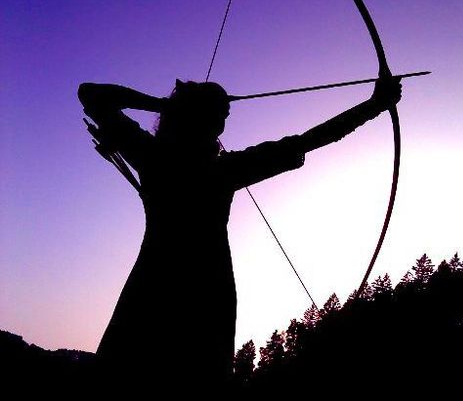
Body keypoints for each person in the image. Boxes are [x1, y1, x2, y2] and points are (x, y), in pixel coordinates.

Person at [78, 76, 401, 392]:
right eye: (217, 116)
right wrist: (375, 105)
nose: (221, 125)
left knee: (132, 370)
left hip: (159, 279)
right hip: (204, 284)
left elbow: (94, 96)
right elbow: (90, 92)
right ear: (196, 119)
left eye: (223, 117)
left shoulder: (151, 156)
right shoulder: (209, 167)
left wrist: (169, 105)